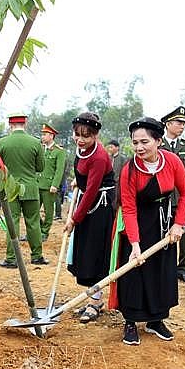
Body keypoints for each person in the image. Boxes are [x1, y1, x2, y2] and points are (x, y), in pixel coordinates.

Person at [116, 117, 185, 345]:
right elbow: (128, 209)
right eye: (135, 142)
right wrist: (135, 245)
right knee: (133, 272)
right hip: (137, 224)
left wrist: (178, 224)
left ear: (158, 141)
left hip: (165, 225)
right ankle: (130, 321)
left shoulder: (172, 161)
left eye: (145, 142)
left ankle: (156, 320)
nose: (139, 147)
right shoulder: (129, 170)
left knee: (162, 270)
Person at [64, 112, 115, 323]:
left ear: (95, 135)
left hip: (100, 207)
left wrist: (73, 219)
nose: (80, 139)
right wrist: (78, 182)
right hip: (87, 201)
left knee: (95, 254)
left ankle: (95, 303)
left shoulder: (100, 157)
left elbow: (93, 189)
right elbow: (84, 178)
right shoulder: (81, 150)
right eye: (77, 134)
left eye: (86, 136)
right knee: (84, 253)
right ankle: (92, 298)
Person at [0, 112, 47, 268]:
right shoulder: (35, 143)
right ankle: (37, 256)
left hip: (10, 189)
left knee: (13, 222)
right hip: (31, 188)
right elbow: (40, 167)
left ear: (10, 125)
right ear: (25, 124)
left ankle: (12, 258)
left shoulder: (1, 143)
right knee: (33, 222)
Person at [159, 106, 185, 285]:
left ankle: (183, 269)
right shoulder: (157, 145)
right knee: (163, 231)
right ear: (168, 124)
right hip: (162, 197)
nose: (182, 126)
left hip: (181, 197)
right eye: (179, 122)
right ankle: (165, 268)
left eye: (183, 123)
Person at [37, 124, 67, 242]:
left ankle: (44, 232)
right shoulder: (40, 148)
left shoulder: (59, 151)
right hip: (37, 184)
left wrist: (55, 184)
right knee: (33, 210)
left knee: (48, 211)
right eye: (42, 134)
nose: (42, 137)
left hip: (49, 186)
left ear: (51, 136)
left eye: (44, 134)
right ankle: (37, 230)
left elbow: (59, 170)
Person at [106, 138, 128, 212]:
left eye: (111, 147)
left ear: (117, 148)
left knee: (115, 203)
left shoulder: (122, 158)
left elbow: (125, 171)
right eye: (109, 147)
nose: (110, 149)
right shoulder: (108, 158)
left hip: (118, 185)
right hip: (109, 185)